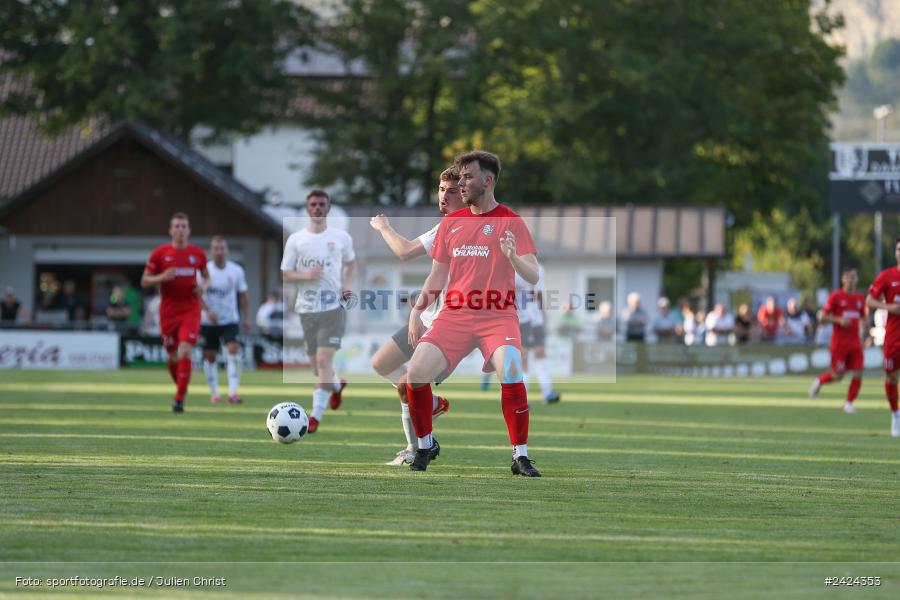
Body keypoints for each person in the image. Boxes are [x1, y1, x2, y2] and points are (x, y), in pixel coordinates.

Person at [404, 150, 542, 476]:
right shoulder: (450, 223)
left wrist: (513, 256)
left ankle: (520, 456)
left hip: (498, 315)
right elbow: (437, 276)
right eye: (460, 176)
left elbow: (534, 275)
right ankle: (425, 446)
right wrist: (416, 312)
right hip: (455, 315)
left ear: (488, 180)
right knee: (415, 375)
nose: (461, 183)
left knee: (510, 373)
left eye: (467, 177)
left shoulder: (511, 221)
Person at [369, 166, 463, 466]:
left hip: (451, 326)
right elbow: (407, 251)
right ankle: (430, 405)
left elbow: (405, 251)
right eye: (440, 189)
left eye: (451, 191)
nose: (443, 196)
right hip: (426, 319)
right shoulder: (445, 226)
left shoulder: (469, 225)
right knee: (381, 364)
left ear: (466, 193)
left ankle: (416, 447)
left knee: (409, 382)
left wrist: (384, 226)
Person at [281, 190, 356, 434]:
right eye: (313, 204)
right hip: (306, 309)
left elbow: (351, 263)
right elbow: (285, 273)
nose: (317, 208)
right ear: (307, 208)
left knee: (324, 361)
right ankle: (336, 385)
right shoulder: (296, 240)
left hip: (333, 308)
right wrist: (306, 275)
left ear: (328, 207)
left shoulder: (341, 237)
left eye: (321, 204)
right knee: (316, 368)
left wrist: (346, 285)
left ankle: (314, 417)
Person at [140, 212, 210, 413]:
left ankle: (179, 398)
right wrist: (161, 276)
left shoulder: (197, 253)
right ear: (171, 230)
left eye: (183, 226)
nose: (180, 230)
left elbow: (207, 277)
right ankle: (181, 386)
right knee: (172, 358)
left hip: (190, 310)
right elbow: (144, 281)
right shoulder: (160, 253)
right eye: (177, 226)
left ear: (189, 230)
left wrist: (203, 287)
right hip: (168, 311)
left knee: (185, 351)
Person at [482, 264, 562, 405]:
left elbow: (538, 293)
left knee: (539, 353)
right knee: (521, 357)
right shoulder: (503, 265)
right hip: (514, 318)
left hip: (533, 318)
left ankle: (547, 392)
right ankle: (520, 397)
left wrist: (544, 317)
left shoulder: (538, 268)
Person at [200, 236, 250, 405]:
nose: (219, 251)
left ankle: (233, 392)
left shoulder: (236, 271)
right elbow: (196, 294)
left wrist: (246, 317)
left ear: (227, 250)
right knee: (210, 356)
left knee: (233, 349)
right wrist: (207, 310)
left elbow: (243, 295)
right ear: (212, 251)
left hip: (230, 320)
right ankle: (214, 393)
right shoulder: (204, 270)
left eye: (222, 248)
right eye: (216, 248)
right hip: (209, 322)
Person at [809, 266, 865, 413]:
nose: (851, 280)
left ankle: (849, 403)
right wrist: (839, 320)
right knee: (838, 375)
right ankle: (819, 381)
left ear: (857, 279)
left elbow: (863, 317)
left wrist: (866, 333)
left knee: (858, 371)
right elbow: (821, 315)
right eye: (848, 277)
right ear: (843, 279)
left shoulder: (860, 298)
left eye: (853, 277)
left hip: (855, 343)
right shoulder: (836, 297)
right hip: (839, 343)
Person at [865, 237, 900, 437]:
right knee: (892, 377)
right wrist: (889, 307)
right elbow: (870, 300)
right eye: (898, 249)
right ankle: (895, 415)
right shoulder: (887, 276)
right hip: (894, 337)